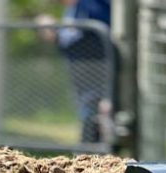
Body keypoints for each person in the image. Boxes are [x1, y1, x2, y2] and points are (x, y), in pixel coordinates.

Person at [39, 0, 112, 144]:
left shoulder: (92, 5)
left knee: (97, 121)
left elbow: (90, 38)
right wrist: (55, 33)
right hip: (84, 82)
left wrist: (57, 31)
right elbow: (69, 40)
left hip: (99, 77)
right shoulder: (74, 9)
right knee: (89, 118)